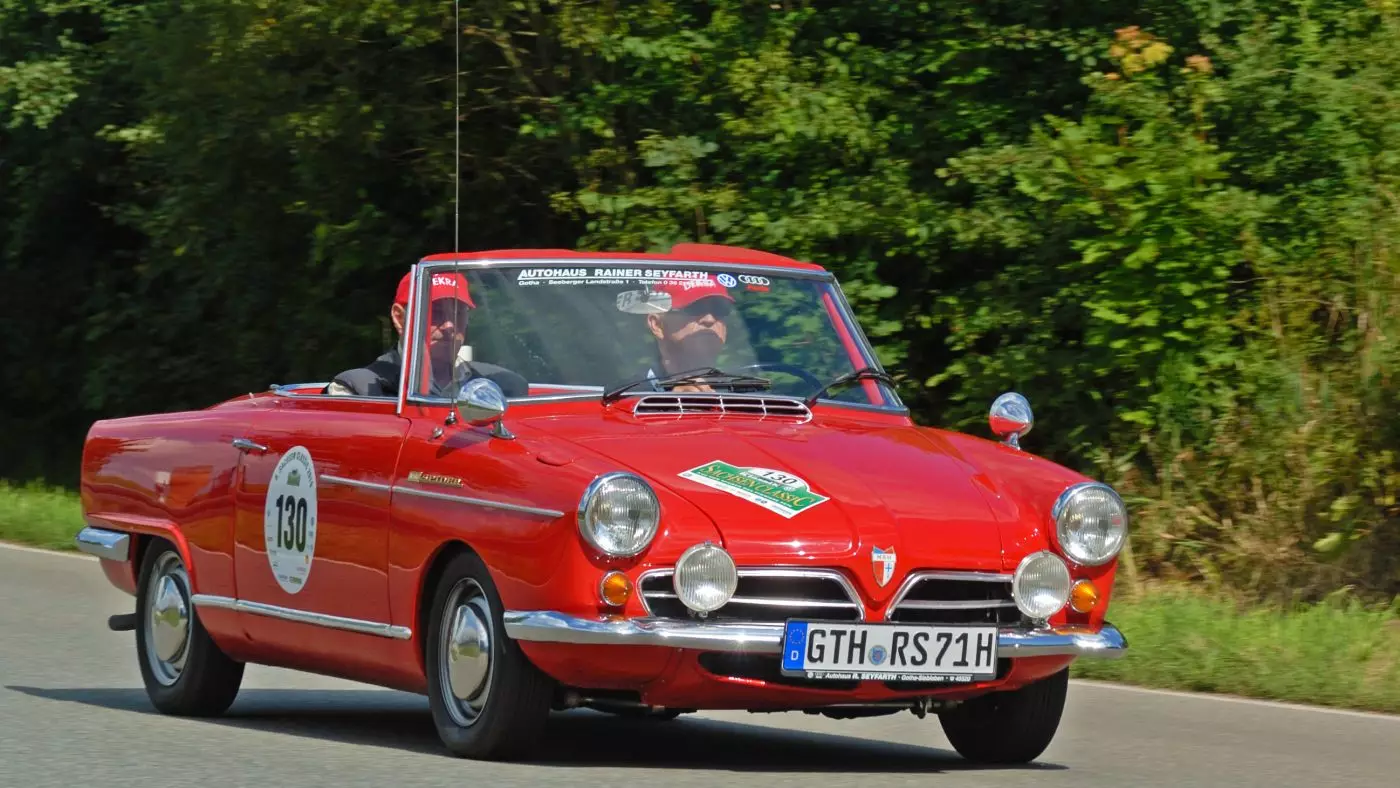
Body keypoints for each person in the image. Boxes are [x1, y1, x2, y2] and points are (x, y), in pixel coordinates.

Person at [326, 269, 526, 398]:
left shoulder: (503, 386)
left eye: (458, 313)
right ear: (399, 318)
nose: (449, 325)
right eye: (435, 313)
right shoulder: (358, 389)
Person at [641, 275, 735, 391]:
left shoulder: (751, 392)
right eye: (695, 307)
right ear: (657, 325)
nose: (710, 319)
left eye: (720, 309)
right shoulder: (625, 397)